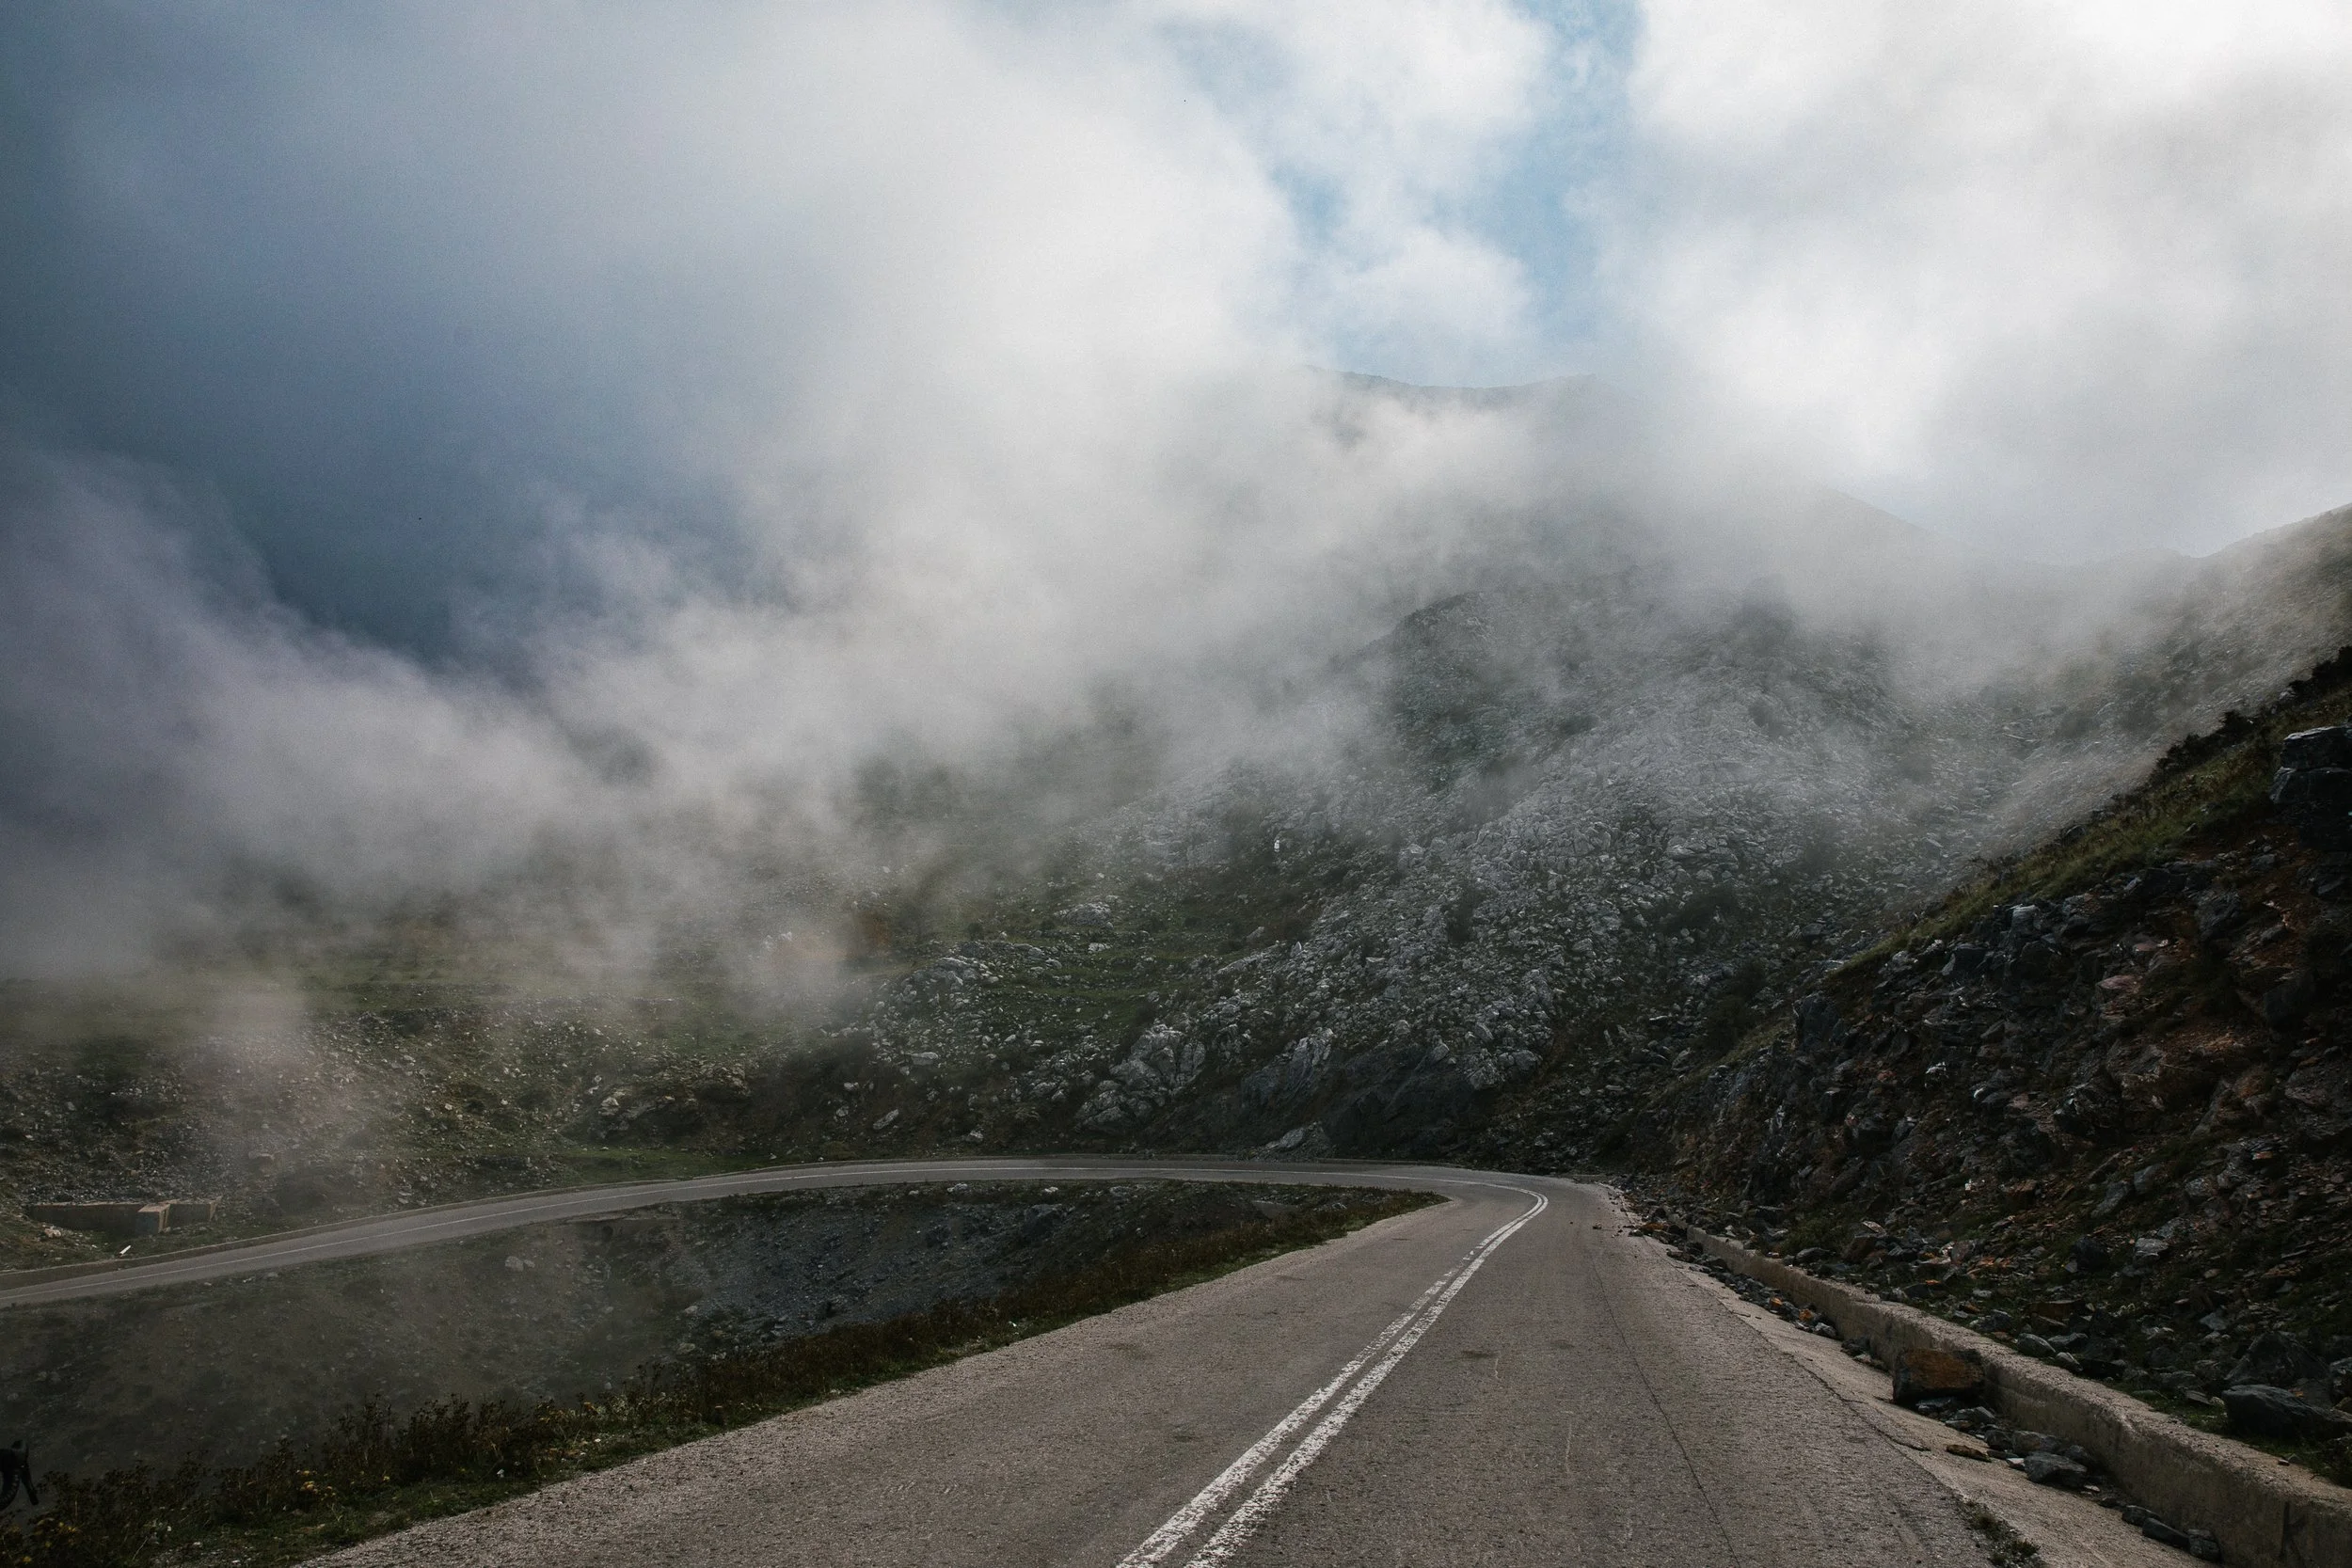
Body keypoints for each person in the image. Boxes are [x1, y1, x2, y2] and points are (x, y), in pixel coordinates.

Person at [0, 1440, 37, 1509]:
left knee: (6, 1499)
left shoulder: (13, 1462)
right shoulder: (18, 1459)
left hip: (13, 1461)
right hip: (14, 1459)